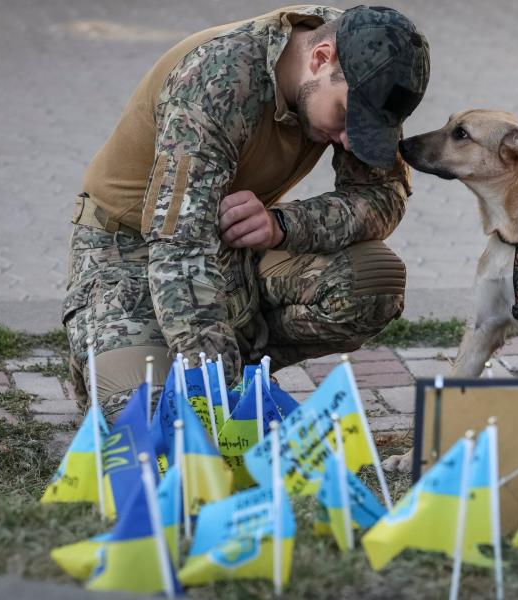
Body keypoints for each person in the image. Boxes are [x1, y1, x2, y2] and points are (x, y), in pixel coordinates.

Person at [63, 5, 430, 414]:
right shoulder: (215, 79)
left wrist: (282, 225)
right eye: (345, 117)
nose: (348, 141)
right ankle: (136, 351)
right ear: (320, 57)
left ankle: (242, 356)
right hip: (129, 252)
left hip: (233, 248)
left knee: (372, 281)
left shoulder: (370, 64)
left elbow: (384, 195)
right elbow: (180, 248)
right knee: (154, 421)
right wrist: (225, 396)